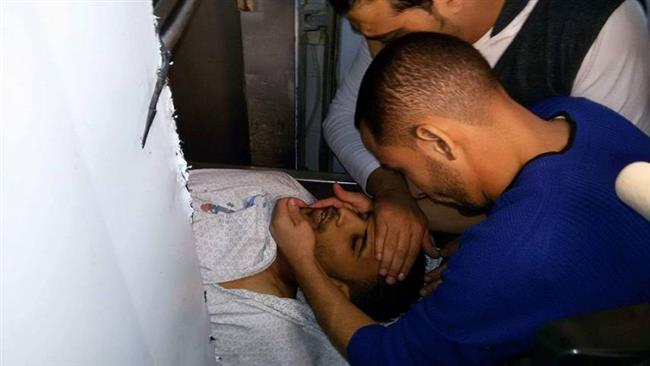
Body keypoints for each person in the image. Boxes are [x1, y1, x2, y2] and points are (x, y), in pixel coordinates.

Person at [272, 33, 650, 365]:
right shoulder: (577, 116)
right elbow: (557, 206)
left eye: (403, 170)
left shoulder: (511, 254)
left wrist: (304, 260)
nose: (415, 190)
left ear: (437, 141)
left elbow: (388, 357)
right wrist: (401, 211)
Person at [321, 0, 650, 286]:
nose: (381, 53)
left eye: (392, 37)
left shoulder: (596, 28)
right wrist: (391, 192)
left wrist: (488, 243)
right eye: (368, 38)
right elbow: (343, 120)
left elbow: (611, 201)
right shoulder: (393, 21)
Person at [189, 169, 425, 365]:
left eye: (356, 243)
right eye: (363, 215)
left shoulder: (268, 334)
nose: (344, 213)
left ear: (334, 288)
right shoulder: (283, 190)